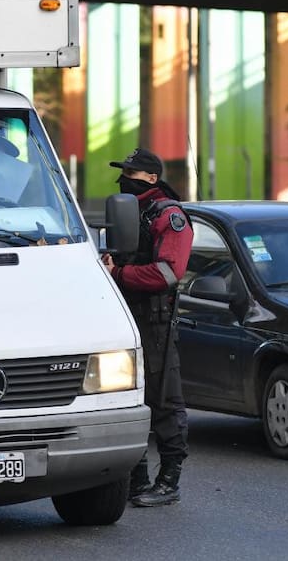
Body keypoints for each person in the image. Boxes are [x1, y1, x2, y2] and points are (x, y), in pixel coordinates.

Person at [101, 147, 192, 507]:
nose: (124, 179)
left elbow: (169, 272)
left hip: (154, 319)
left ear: (152, 178)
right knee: (127, 395)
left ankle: (168, 482)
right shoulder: (132, 211)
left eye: (131, 173)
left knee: (164, 398)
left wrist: (120, 273)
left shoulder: (169, 216)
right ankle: (136, 480)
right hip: (127, 315)